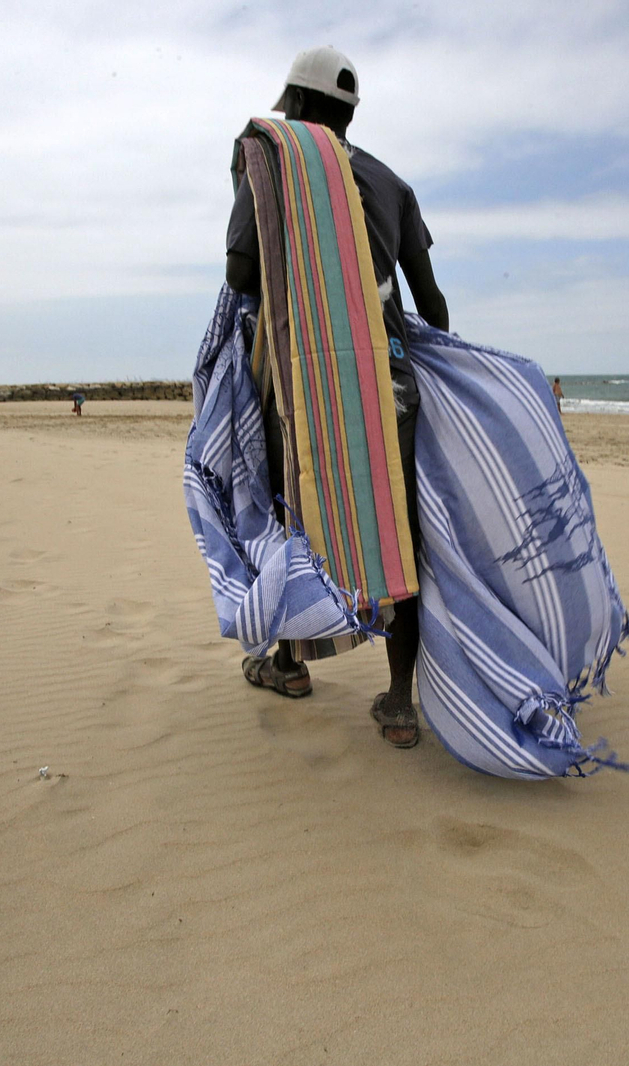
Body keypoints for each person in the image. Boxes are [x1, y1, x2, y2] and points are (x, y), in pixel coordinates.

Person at [226, 46, 448, 749]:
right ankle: (399, 702)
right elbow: (434, 306)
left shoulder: (272, 159)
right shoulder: (392, 182)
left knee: (297, 509)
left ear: (297, 103)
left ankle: (291, 666)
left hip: (300, 383)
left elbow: (240, 275)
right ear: (349, 112)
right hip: (390, 386)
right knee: (395, 528)